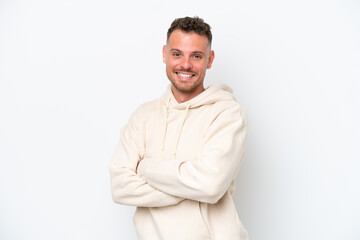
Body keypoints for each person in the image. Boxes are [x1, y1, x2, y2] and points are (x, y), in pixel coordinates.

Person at [109, 16, 248, 240]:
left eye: (196, 56)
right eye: (177, 54)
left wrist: (145, 168)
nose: (185, 64)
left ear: (210, 59)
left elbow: (210, 186)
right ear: (165, 54)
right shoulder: (143, 116)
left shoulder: (227, 114)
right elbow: (120, 186)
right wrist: (189, 188)